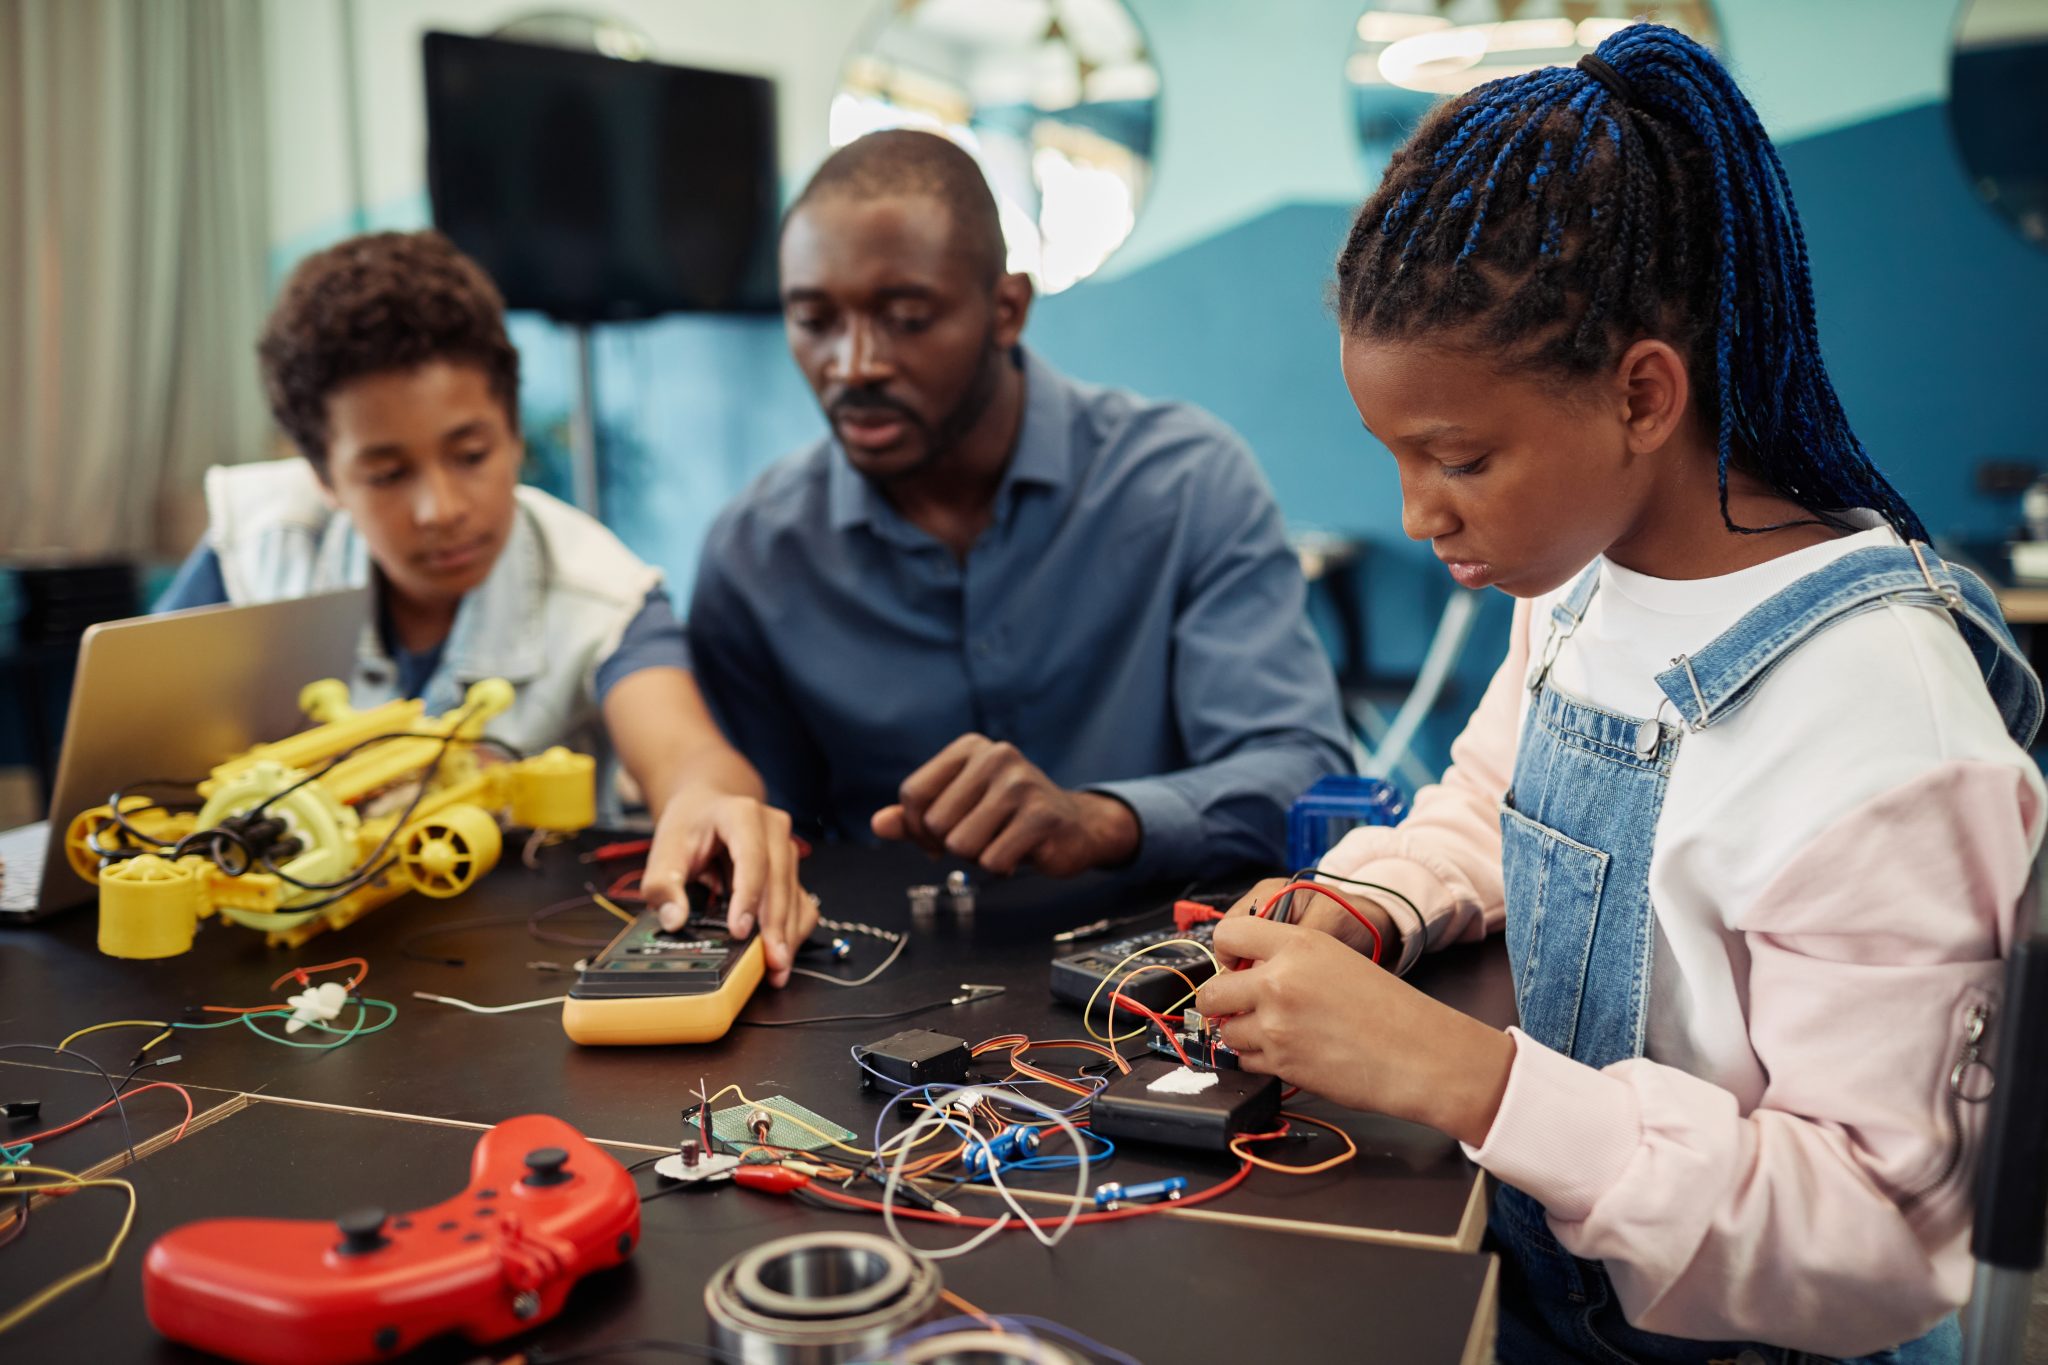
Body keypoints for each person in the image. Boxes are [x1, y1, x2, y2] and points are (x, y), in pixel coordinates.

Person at [1194, 26, 2044, 1362]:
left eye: (1458, 456)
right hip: (1558, 1274)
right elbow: (1496, 801)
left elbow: (1879, 1238)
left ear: (1643, 394)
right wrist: (1369, 905)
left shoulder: (1888, 725)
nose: (1418, 514)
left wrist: (1459, 1074)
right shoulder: (1581, 580)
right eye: (1399, 457)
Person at [688, 130, 1351, 884]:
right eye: (815, 322)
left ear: (1007, 309)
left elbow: (1307, 776)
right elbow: (759, 835)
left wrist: (1101, 818)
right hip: (871, 985)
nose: (855, 363)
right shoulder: (754, 555)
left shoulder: (1184, 486)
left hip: (1165, 977)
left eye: (906, 317)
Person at [157, 231, 815, 981]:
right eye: (387, 472)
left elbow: (690, 756)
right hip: (283, 971)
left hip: (510, 972)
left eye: (470, 455)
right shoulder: (255, 546)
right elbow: (133, 763)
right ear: (324, 478)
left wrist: (716, 804)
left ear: (512, 432)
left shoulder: (599, 590)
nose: (439, 508)